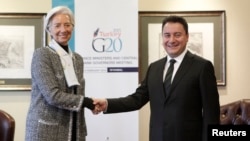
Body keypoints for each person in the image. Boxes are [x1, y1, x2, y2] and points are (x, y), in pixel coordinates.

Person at [93, 16, 220, 141]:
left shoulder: (202, 67)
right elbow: (136, 100)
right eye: (167, 35)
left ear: (187, 37)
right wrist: (107, 104)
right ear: (162, 38)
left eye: (177, 34)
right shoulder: (154, 68)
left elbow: (211, 114)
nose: (171, 40)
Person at [25, 6, 94, 141]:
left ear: (72, 28)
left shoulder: (77, 59)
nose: (63, 30)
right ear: (49, 29)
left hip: (75, 127)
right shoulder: (42, 55)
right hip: (46, 130)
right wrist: (87, 102)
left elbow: (78, 94)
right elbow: (52, 95)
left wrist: (82, 126)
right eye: (57, 26)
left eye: (67, 25)